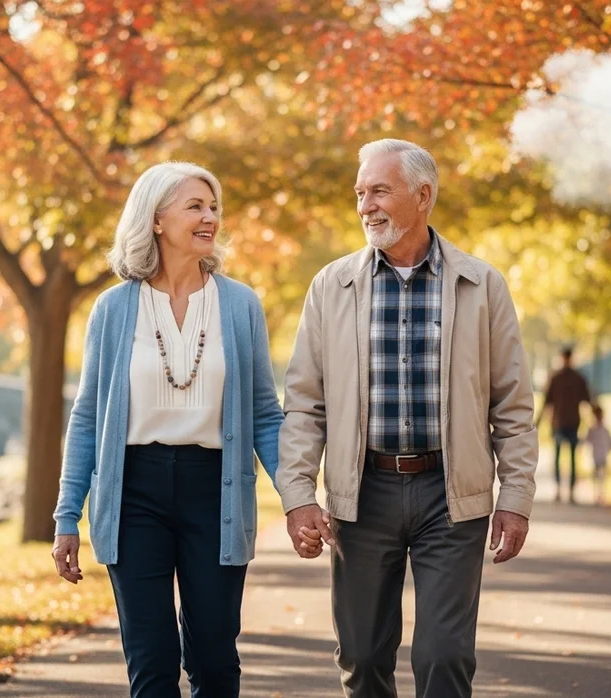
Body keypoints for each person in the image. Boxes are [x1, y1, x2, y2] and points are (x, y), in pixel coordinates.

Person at [276, 139, 538, 698]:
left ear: (423, 196)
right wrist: (298, 494)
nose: (365, 205)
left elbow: (511, 406)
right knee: (364, 657)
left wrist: (515, 499)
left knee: (445, 657)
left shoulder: (481, 285)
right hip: (362, 493)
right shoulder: (331, 286)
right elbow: (305, 403)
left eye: (379, 191)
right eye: (360, 193)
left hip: (452, 494)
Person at [51, 162, 284, 697]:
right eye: (195, 206)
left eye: (214, 207)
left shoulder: (240, 304)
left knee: (215, 663)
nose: (210, 217)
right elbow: (88, 417)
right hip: (134, 494)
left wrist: (298, 499)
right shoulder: (113, 309)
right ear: (156, 220)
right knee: (152, 667)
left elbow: (266, 416)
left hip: (215, 490)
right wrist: (68, 516)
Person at [536, 347, 593, 503]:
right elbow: (588, 400)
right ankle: (564, 490)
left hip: (563, 422)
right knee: (566, 457)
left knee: (565, 457)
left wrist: (538, 423)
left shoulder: (558, 377)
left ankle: (564, 490)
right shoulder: (575, 378)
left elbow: (547, 402)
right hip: (567, 422)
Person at [584, 405, 611, 506]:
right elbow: (587, 440)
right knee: (596, 476)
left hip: (603, 456)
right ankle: (596, 494)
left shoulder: (605, 430)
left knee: (602, 477)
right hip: (595, 456)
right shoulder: (592, 429)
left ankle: (601, 494)